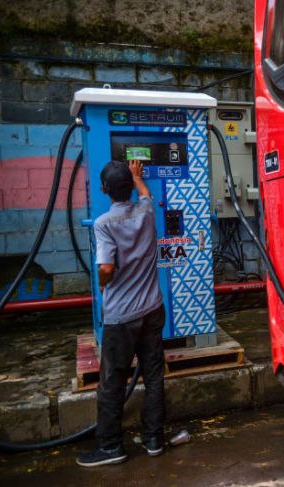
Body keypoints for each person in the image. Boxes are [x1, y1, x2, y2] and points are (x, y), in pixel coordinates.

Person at [77, 160, 165, 467]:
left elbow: (107, 267)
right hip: (153, 309)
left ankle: (111, 446)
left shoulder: (103, 223)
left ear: (104, 190)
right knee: (154, 376)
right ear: (129, 186)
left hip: (121, 317)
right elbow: (147, 197)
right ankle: (154, 439)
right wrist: (139, 177)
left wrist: (102, 284)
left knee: (112, 382)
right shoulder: (146, 211)